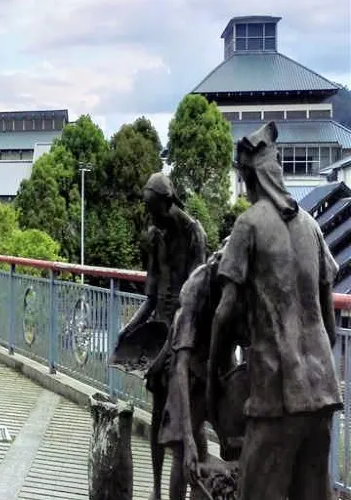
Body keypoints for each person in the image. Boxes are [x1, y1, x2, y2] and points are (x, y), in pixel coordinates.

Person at [206, 121, 341, 500]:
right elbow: (329, 325)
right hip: (323, 391)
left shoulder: (248, 225)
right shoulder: (311, 227)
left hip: (277, 395)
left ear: (249, 178)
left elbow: (224, 312)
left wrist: (214, 374)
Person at [114, 172, 206, 500]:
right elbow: (151, 297)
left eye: (153, 209)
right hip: (160, 333)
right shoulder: (153, 237)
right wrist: (129, 329)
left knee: (190, 420)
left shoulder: (194, 233)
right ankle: (155, 488)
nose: (150, 216)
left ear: (167, 203)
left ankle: (199, 485)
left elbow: (198, 297)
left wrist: (175, 341)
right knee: (157, 414)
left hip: (188, 335)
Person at [157, 249, 244, 500]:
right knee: (183, 453)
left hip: (222, 369)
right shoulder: (195, 290)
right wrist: (188, 439)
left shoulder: (244, 283)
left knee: (236, 447)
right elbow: (181, 367)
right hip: (190, 372)